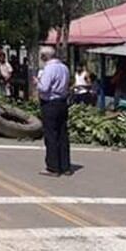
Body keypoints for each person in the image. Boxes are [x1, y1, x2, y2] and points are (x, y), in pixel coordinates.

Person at [34, 46, 71, 177]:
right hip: (62, 102)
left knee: (51, 134)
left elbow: (44, 88)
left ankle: (53, 167)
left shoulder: (49, 68)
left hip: (50, 103)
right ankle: (65, 166)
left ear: (44, 56)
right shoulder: (64, 67)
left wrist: (37, 82)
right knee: (62, 134)